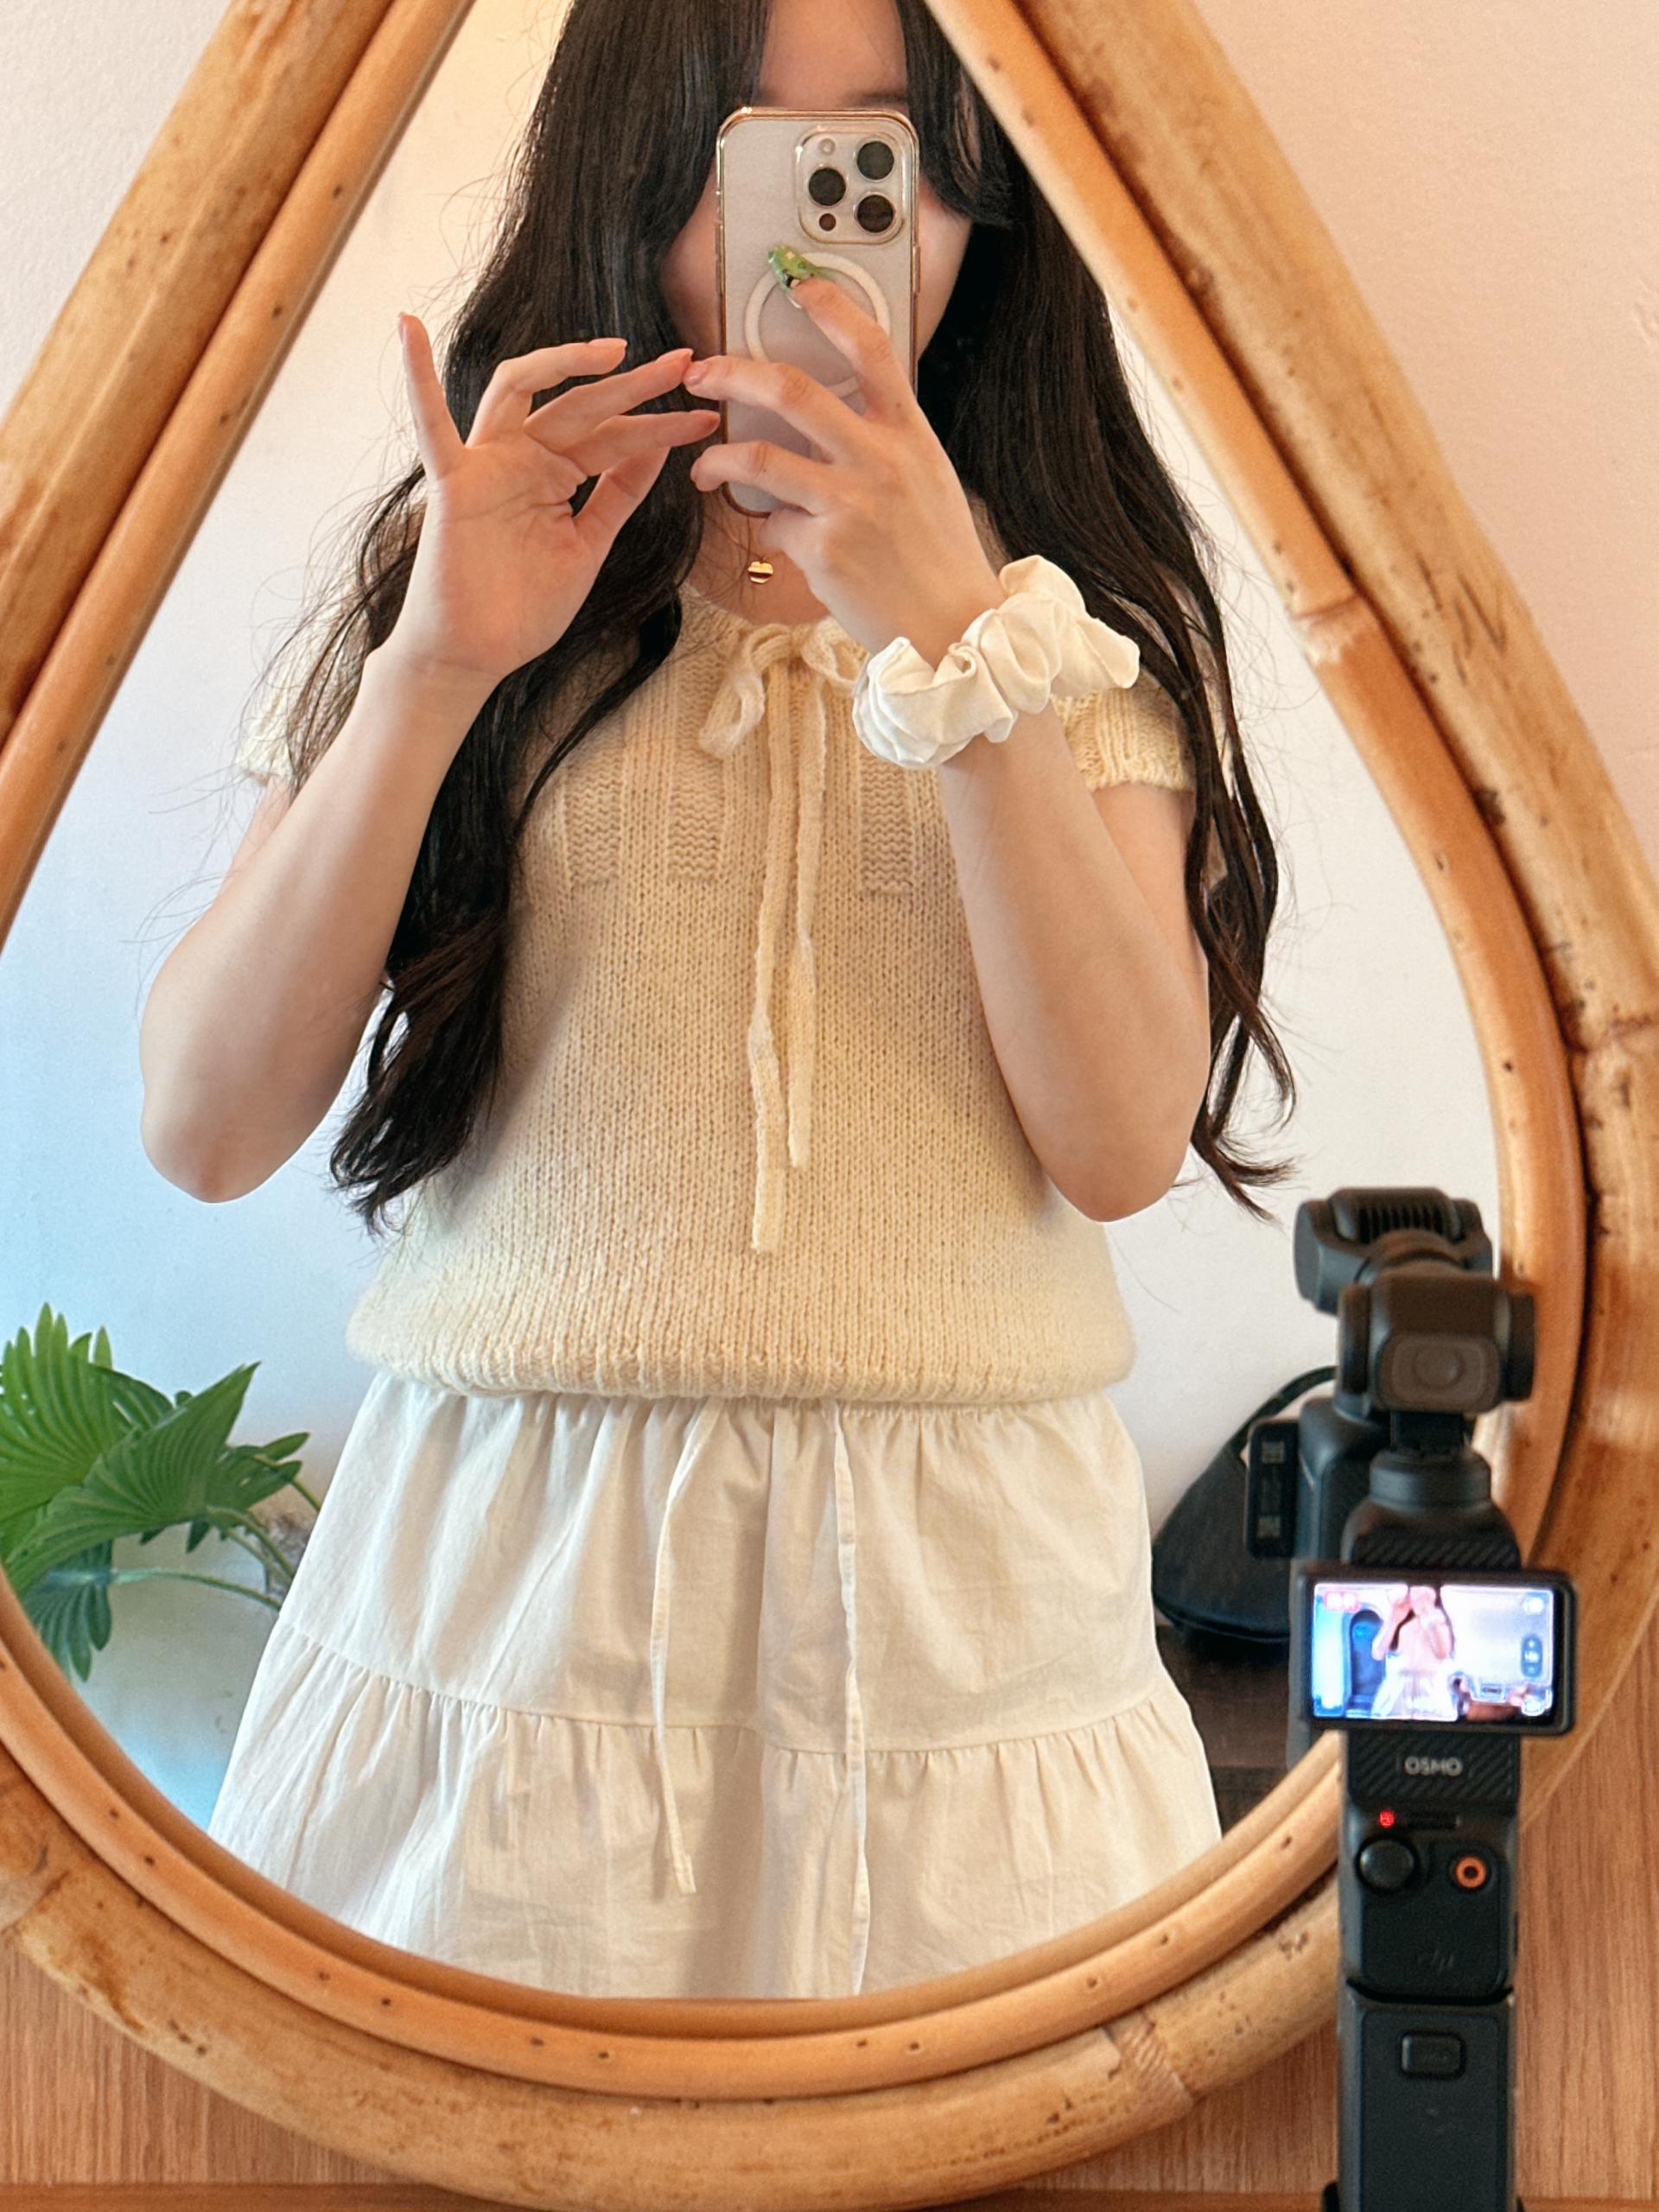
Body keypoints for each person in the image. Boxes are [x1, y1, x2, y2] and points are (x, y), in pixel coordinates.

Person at [141, 0, 1294, 2000]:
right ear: (634, 157)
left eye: (890, 158)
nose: (825, 227)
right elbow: (206, 1121)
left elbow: (1119, 1138)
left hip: (960, 1611)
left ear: (983, 195)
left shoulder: (1072, 618)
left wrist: (959, 647)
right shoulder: (465, 569)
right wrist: (436, 667)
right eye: (748, 148)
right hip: (507, 1587)